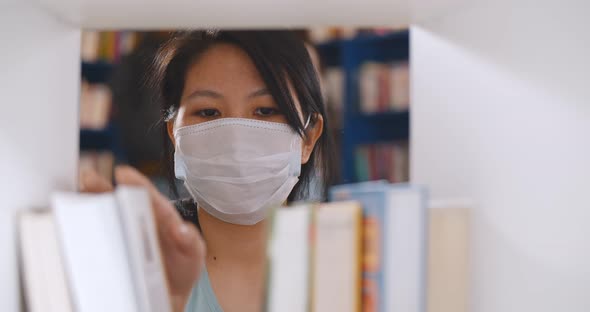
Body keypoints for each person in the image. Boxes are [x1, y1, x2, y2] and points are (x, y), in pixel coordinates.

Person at [80, 29, 333, 312]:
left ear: (309, 137)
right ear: (175, 135)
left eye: (264, 110)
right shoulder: (137, 264)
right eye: (208, 112)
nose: (236, 142)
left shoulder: (347, 264)